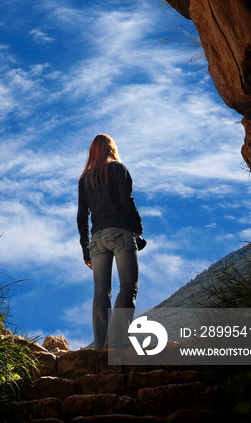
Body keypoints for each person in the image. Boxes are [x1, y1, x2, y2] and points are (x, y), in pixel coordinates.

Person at [77, 134, 143, 351]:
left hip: (96, 240)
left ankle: (100, 348)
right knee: (128, 287)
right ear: (111, 148)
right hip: (120, 233)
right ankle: (116, 341)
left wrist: (86, 249)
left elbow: (81, 216)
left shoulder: (85, 178)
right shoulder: (118, 169)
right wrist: (138, 229)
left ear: (93, 151)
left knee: (100, 293)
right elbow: (127, 201)